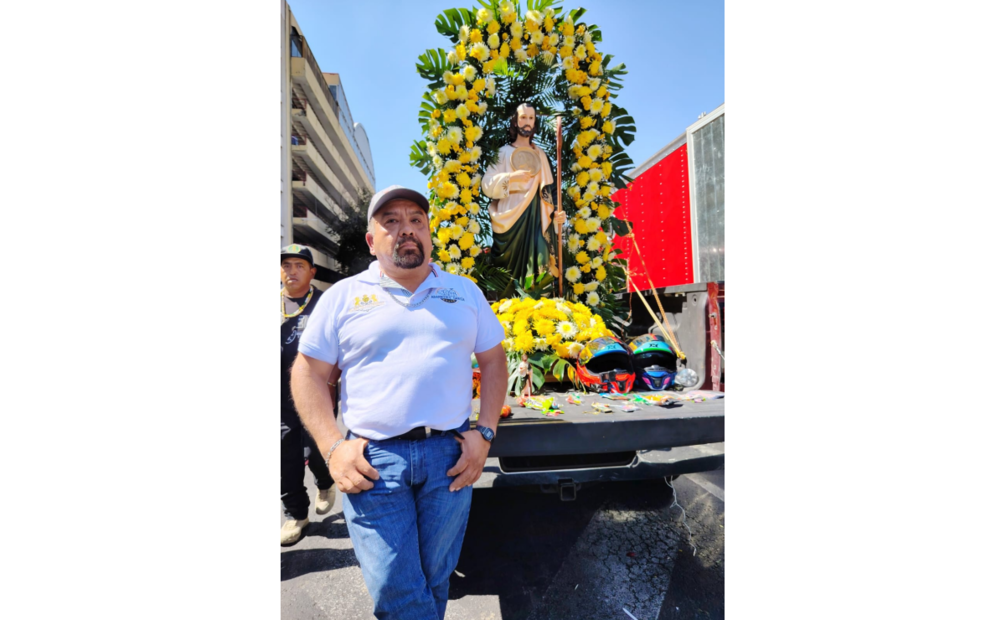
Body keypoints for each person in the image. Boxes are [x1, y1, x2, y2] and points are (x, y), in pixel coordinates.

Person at [291, 185, 508, 620]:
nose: (405, 230)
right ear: (372, 241)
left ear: (429, 234)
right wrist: (333, 448)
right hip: (372, 462)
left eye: (415, 220)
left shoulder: (464, 293)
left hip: (450, 455)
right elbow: (308, 374)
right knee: (398, 589)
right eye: (390, 222)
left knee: (434, 577)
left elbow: (494, 361)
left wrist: (485, 433)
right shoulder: (344, 296)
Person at [280, 244, 337, 545]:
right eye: (286, 265)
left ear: (312, 272)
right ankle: (295, 514)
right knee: (284, 451)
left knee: (315, 445)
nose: (291, 271)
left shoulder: (325, 304)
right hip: (279, 394)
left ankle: (325, 481)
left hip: (317, 388)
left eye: (299, 265)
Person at [481, 101, 567, 295]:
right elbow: (486, 185)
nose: (527, 122)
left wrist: (557, 215)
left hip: (537, 221)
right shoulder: (503, 153)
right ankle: (508, 313)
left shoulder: (541, 156)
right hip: (509, 221)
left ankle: (539, 313)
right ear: (515, 121)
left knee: (539, 266)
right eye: (523, 117)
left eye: (531, 118)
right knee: (506, 275)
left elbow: (550, 192)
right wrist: (511, 178)